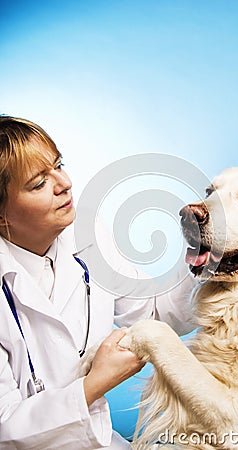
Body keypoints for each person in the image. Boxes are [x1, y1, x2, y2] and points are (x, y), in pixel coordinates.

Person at [0, 115, 196, 449]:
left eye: (58, 165)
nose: (64, 183)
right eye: (38, 183)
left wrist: (202, 254)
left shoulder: (89, 238)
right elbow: (5, 429)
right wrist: (96, 383)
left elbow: (153, 315)